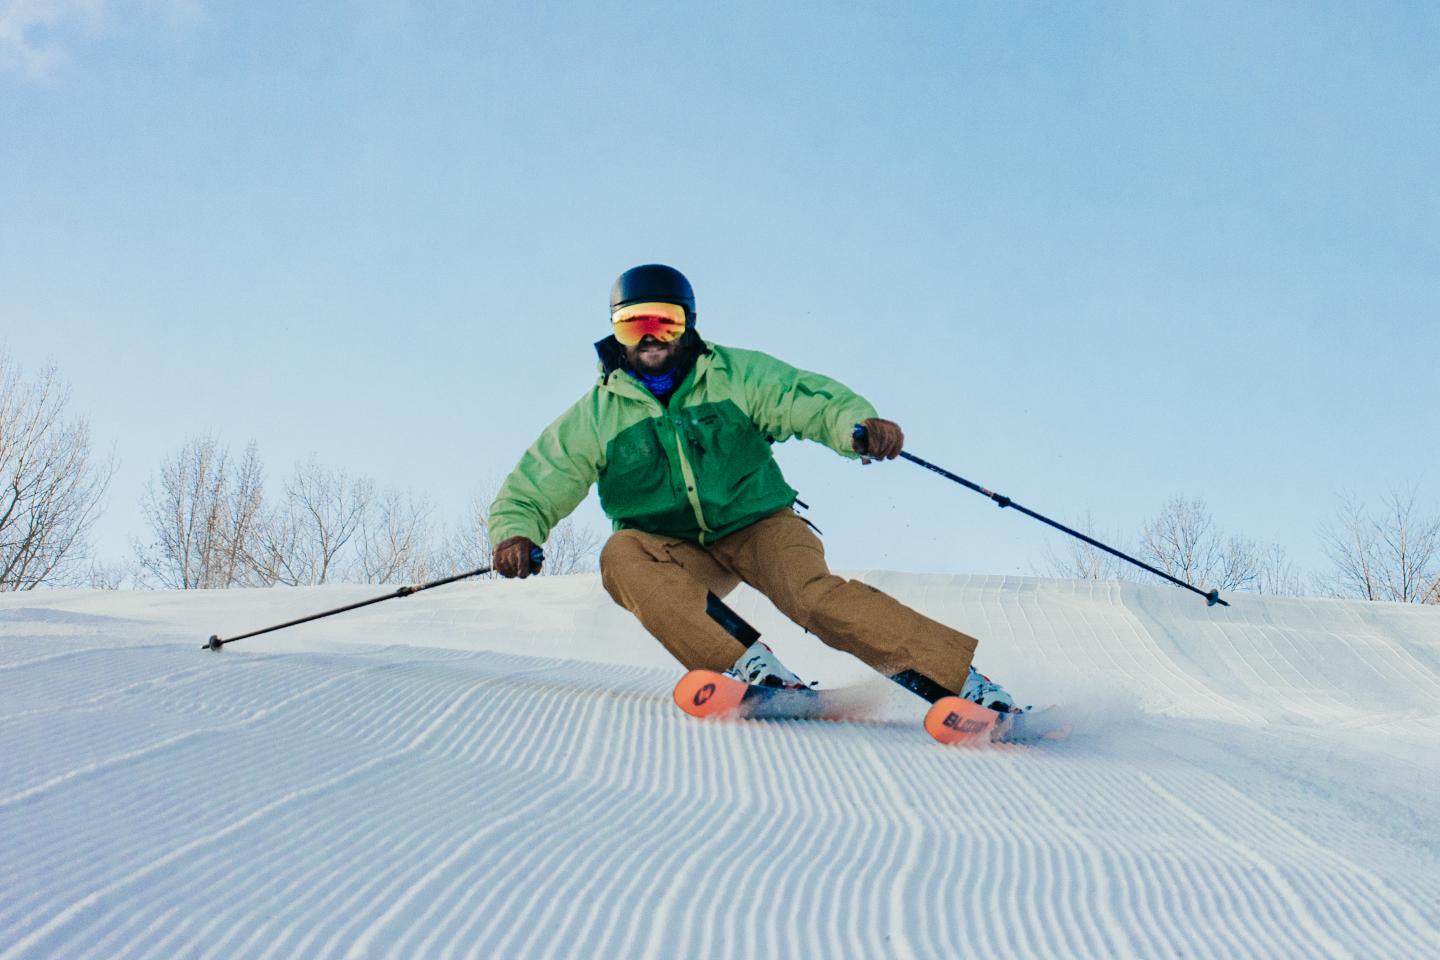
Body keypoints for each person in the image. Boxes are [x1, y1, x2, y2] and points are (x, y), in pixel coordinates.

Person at [488, 264, 1014, 711]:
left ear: (687, 326)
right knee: (620, 555)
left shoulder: (733, 374)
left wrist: (855, 426)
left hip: (758, 523)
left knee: (813, 597)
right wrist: (515, 533)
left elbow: (802, 398)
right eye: (632, 325)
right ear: (616, 333)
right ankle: (753, 671)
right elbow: (539, 480)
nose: (649, 337)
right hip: (674, 549)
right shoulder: (596, 415)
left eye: (664, 323)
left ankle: (969, 687)